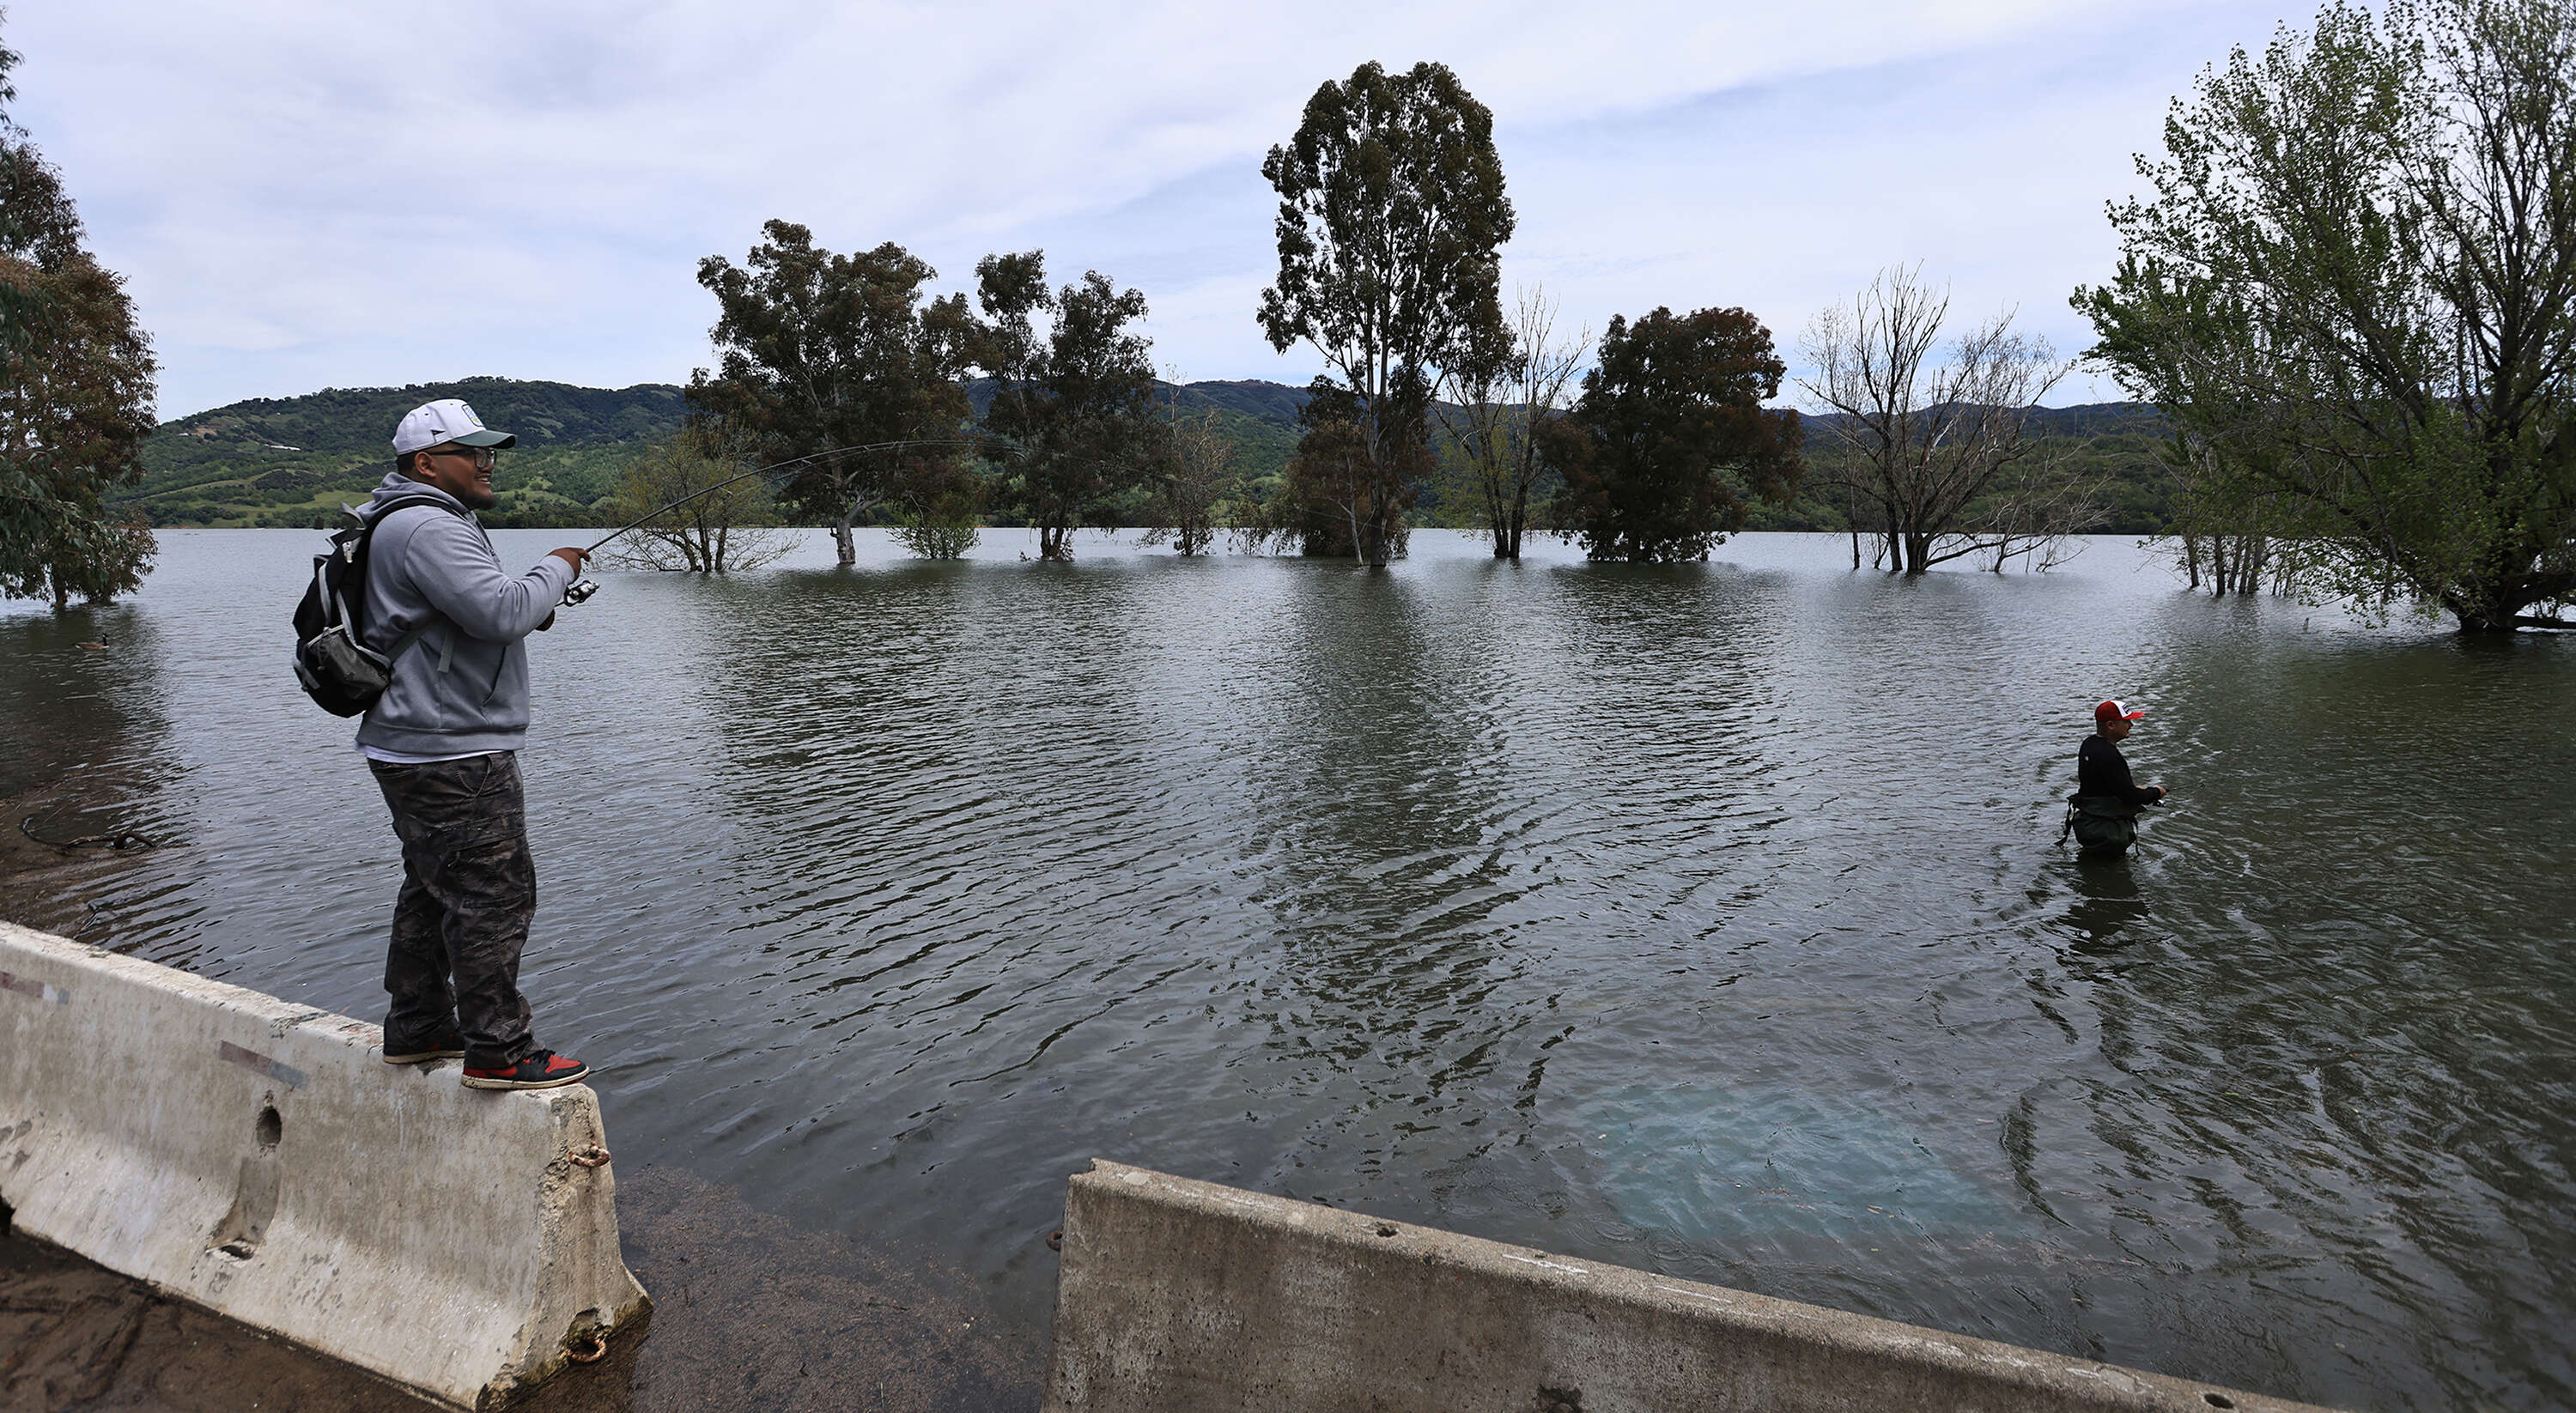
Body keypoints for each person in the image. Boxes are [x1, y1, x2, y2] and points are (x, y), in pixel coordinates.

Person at [355, 397, 594, 1090]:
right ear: (427, 463)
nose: (490, 464)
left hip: (415, 740)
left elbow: (473, 615)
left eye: (491, 452)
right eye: (475, 453)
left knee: (433, 888)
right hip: (450, 749)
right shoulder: (430, 525)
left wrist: (524, 605)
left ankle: (419, 1026)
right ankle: (499, 1050)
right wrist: (557, 567)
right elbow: (503, 610)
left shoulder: (404, 520)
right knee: (495, 893)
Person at [2066, 699, 2166, 856]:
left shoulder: (2089, 743)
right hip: (2107, 833)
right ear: (2111, 725)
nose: (2131, 725)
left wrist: (2132, 789)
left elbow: (2101, 786)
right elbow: (2131, 796)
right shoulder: (2109, 755)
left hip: (2088, 826)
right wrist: (2156, 792)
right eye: (2126, 721)